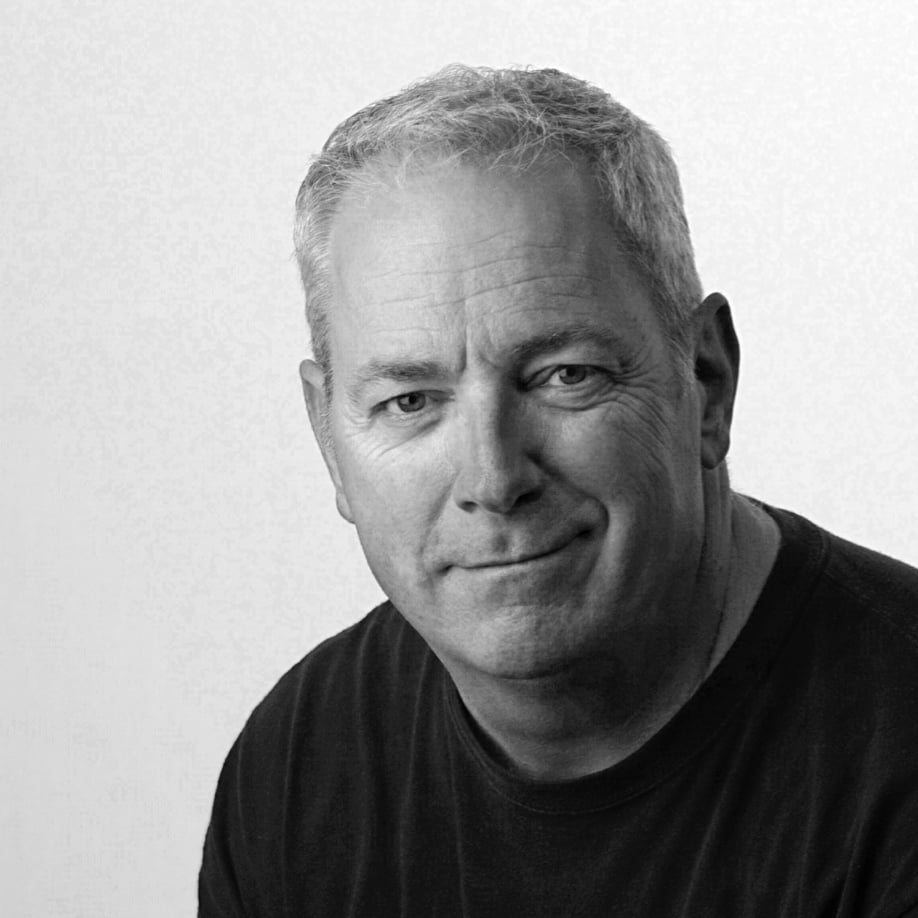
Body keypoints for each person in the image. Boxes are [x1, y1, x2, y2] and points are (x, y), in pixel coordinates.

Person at [199, 66, 918, 917]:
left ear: (706, 382)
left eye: (564, 375)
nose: (494, 479)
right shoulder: (300, 769)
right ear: (329, 440)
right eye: (411, 402)